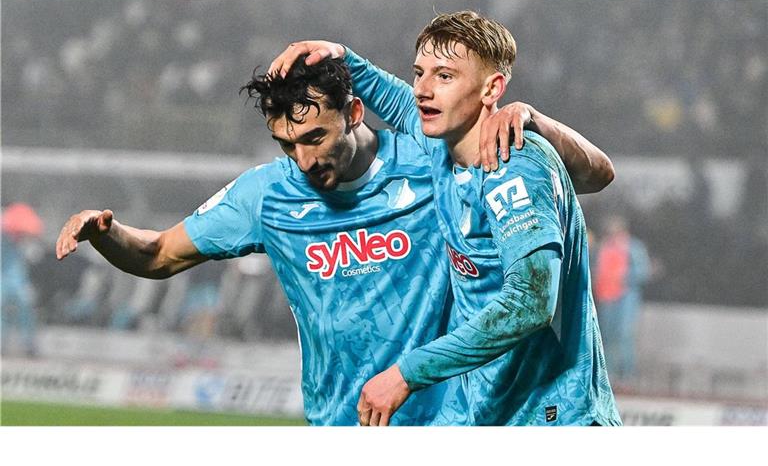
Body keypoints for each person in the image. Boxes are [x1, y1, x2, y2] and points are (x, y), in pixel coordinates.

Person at [57, 53, 610, 426]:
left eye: (316, 136)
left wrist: (533, 121)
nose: (304, 160)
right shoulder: (266, 195)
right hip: (338, 423)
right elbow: (157, 254)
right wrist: (106, 235)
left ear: (353, 111)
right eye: (287, 144)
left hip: (444, 421)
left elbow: (591, 175)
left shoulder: (430, 159)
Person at [272, 11, 620, 426]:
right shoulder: (445, 147)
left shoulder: (512, 164)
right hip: (489, 412)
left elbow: (530, 302)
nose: (423, 90)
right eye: (420, 73)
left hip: (554, 415)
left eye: (445, 76)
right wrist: (340, 57)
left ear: (492, 88)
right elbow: (398, 100)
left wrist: (407, 373)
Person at [593, 214, 651, 387]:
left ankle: (627, 374)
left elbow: (643, 271)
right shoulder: (603, 247)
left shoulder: (633, 247)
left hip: (626, 296)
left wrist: (624, 276)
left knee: (624, 334)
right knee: (607, 336)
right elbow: (595, 269)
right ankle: (608, 374)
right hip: (606, 296)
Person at [1, 202, 43, 357]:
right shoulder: (4, 241)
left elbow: (30, 261)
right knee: (3, 310)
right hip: (6, 281)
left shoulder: (19, 244)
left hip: (17, 281)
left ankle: (28, 344)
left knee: (25, 308)